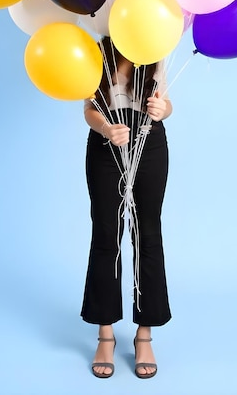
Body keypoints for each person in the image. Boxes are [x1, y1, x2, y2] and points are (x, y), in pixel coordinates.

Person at [81, 36, 173, 379]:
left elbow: (167, 103)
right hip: (106, 145)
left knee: (148, 234)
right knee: (107, 235)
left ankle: (144, 334)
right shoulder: (96, 53)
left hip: (149, 143)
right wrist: (106, 128)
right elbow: (89, 108)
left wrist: (164, 109)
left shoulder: (154, 51)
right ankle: (105, 334)